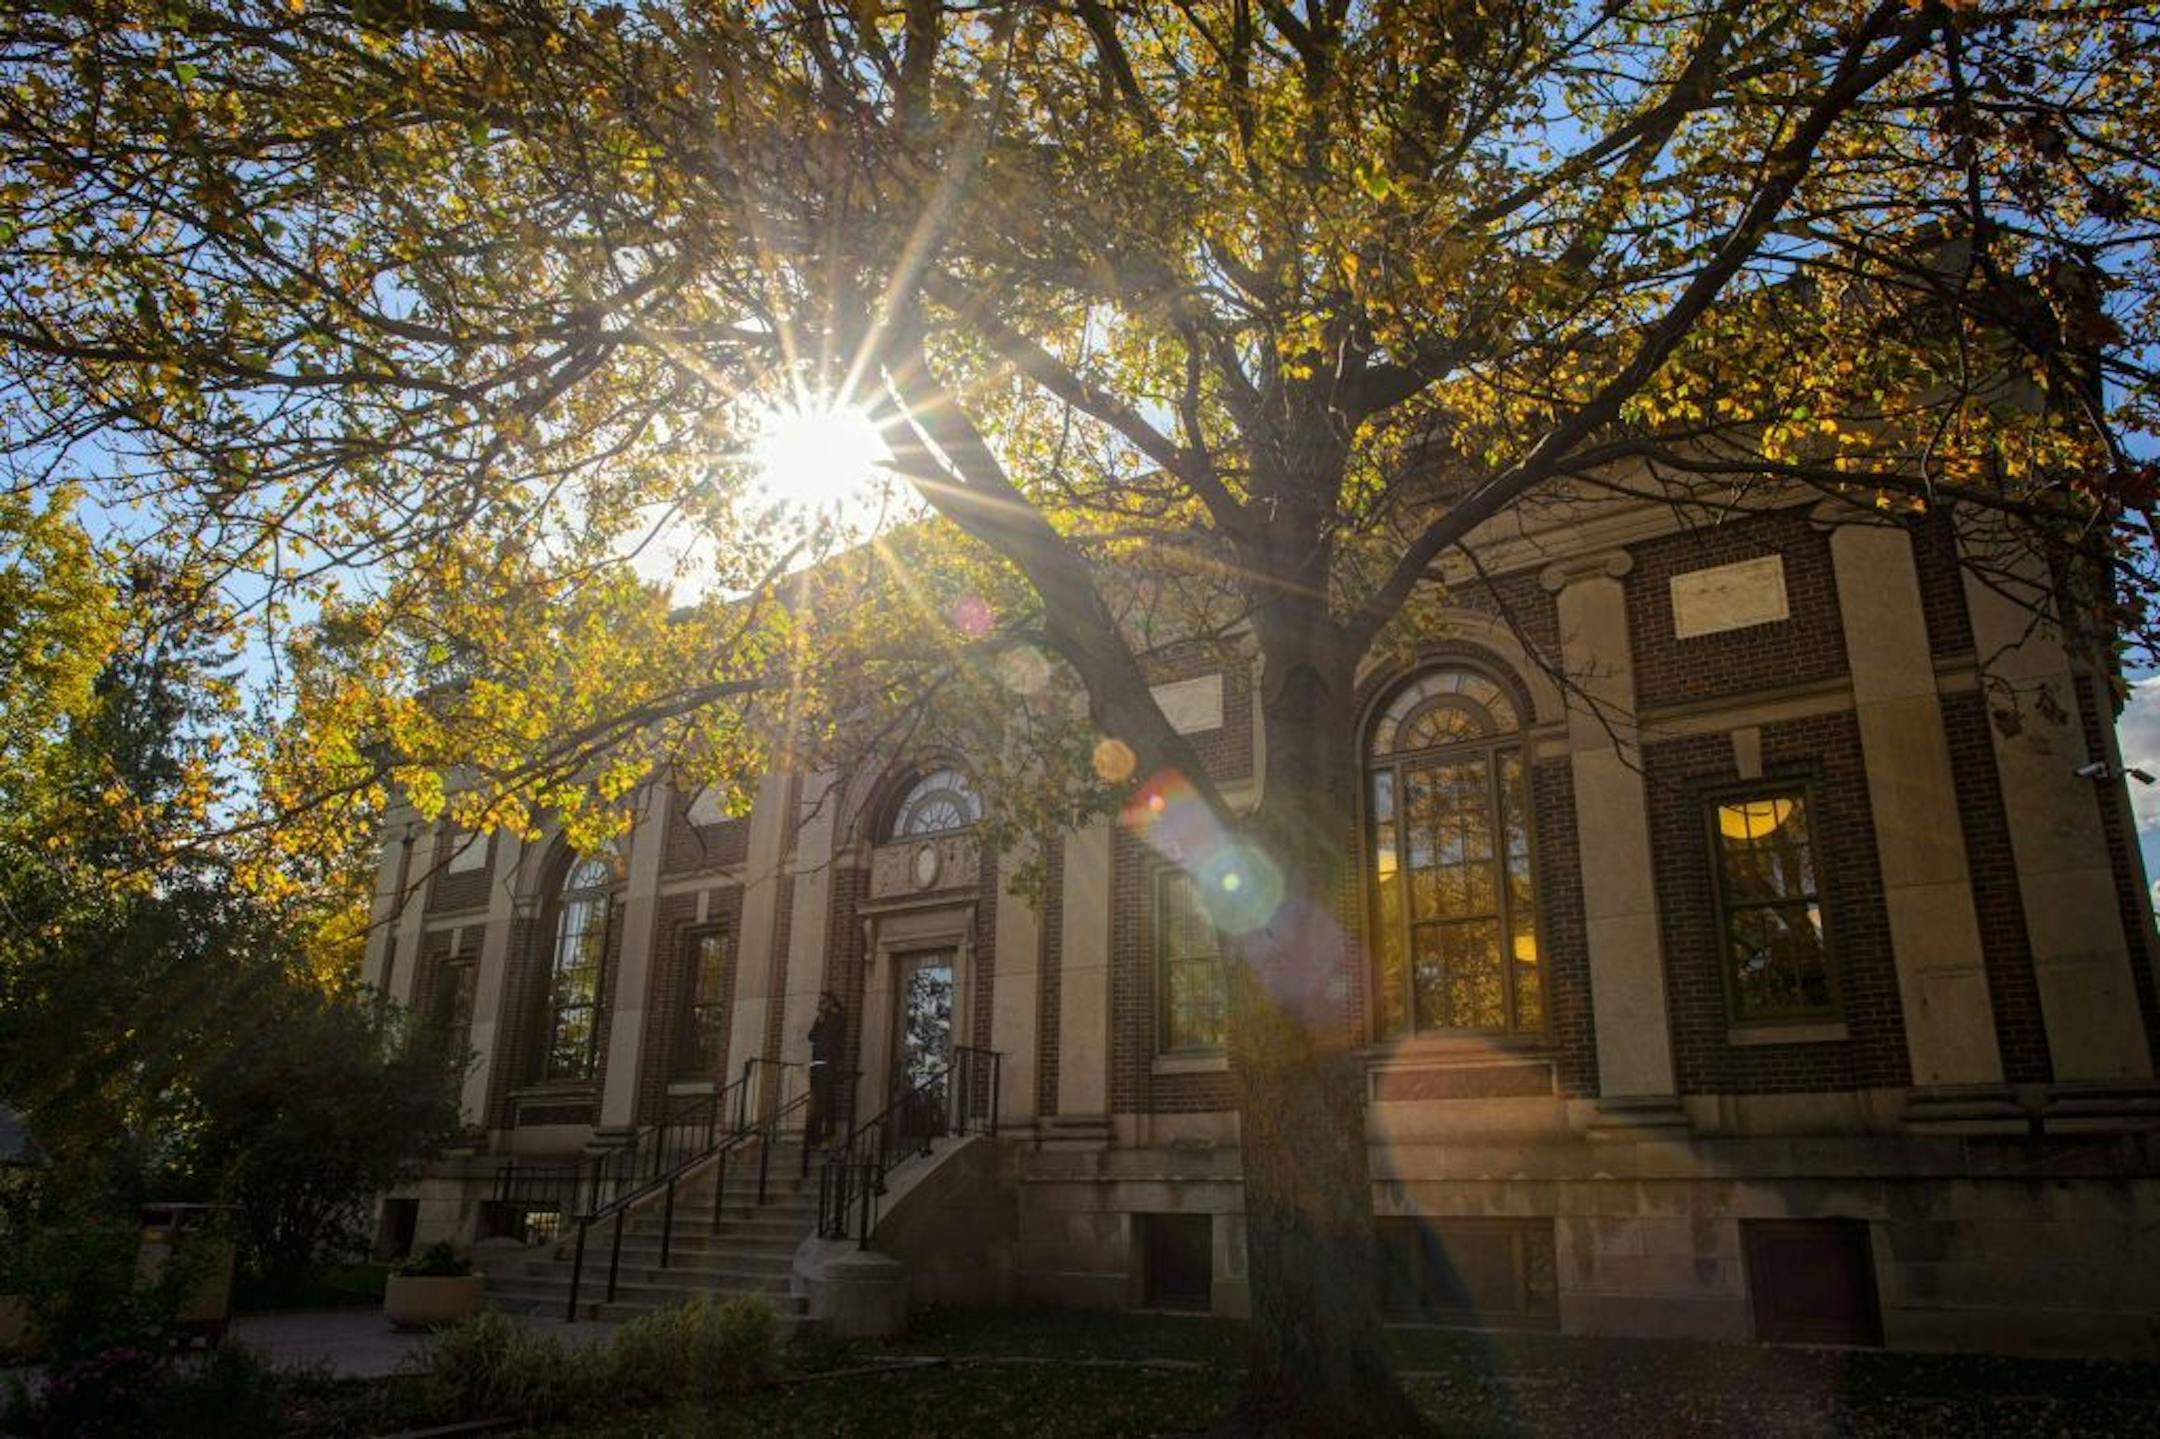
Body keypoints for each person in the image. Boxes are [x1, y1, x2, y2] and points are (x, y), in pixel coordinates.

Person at [806, 991, 845, 1148]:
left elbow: (832, 1037)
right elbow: (811, 1037)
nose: (820, 1005)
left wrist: (826, 1020)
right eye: (820, 1002)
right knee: (814, 1101)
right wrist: (820, 1021)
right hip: (816, 1064)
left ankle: (827, 1136)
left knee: (826, 1100)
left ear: (831, 1002)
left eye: (823, 1002)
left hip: (828, 1064)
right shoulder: (820, 1019)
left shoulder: (838, 1018)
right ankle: (813, 1139)